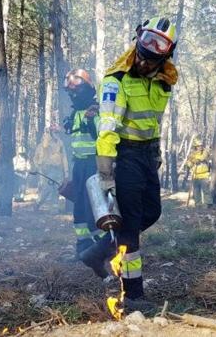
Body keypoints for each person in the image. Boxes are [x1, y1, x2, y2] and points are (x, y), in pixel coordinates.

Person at [82, 17, 179, 312]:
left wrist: (157, 151)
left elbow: (154, 122)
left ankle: (97, 252)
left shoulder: (163, 83)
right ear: (137, 40)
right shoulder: (116, 81)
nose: (144, 59)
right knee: (132, 224)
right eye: (144, 47)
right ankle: (134, 295)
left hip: (147, 155)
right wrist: (105, 170)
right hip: (124, 156)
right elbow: (108, 128)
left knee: (152, 211)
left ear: (165, 56)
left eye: (154, 53)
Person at [62, 68, 105, 263]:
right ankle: (83, 247)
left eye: (76, 89)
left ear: (86, 89)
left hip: (93, 165)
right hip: (78, 165)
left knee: (94, 207)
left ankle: (105, 247)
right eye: (70, 91)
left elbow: (103, 136)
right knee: (78, 205)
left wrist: (91, 121)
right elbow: (72, 133)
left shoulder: (96, 110)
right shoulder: (75, 112)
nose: (73, 94)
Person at [33, 126, 69, 212]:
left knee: (56, 189)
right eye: (55, 132)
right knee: (47, 189)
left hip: (58, 169)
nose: (57, 134)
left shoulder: (60, 143)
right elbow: (38, 156)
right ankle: (38, 202)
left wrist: (66, 171)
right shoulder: (45, 143)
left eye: (58, 133)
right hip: (48, 170)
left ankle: (54, 208)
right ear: (51, 133)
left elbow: (64, 157)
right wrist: (38, 167)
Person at [186, 138, 212, 207]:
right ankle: (198, 204)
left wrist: (197, 159)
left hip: (204, 175)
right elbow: (188, 162)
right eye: (198, 146)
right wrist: (191, 163)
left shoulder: (205, 152)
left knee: (206, 190)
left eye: (201, 145)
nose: (200, 147)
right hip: (195, 175)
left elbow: (203, 157)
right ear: (195, 147)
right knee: (196, 191)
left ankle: (208, 203)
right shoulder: (192, 154)